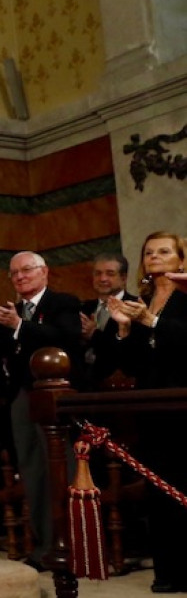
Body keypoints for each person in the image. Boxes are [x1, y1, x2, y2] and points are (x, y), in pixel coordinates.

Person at [0, 251, 81, 569]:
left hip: (58, 398)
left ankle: (71, 546)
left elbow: (65, 339)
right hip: (23, 397)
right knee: (32, 472)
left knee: (62, 472)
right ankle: (44, 546)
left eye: (26, 271)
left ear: (44, 271)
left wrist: (19, 325)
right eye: (14, 273)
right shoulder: (13, 311)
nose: (20, 277)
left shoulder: (65, 302)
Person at [108, 231, 187, 593]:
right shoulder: (143, 299)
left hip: (182, 405)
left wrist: (151, 323)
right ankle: (167, 572)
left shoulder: (186, 296)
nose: (155, 257)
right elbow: (133, 364)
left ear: (181, 259)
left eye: (165, 251)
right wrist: (125, 329)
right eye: (149, 252)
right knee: (157, 491)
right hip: (150, 406)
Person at [79, 253, 135, 390]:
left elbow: (131, 351)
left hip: (122, 386)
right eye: (98, 273)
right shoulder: (83, 308)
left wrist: (94, 334)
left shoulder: (134, 307)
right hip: (84, 386)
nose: (102, 279)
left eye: (110, 274)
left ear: (123, 278)